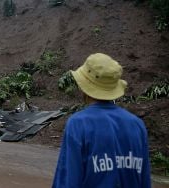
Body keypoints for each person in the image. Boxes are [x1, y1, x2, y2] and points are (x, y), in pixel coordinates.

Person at [52, 53, 151, 188]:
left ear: (84, 87)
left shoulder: (78, 124)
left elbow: (68, 180)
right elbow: (145, 181)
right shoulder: (137, 125)